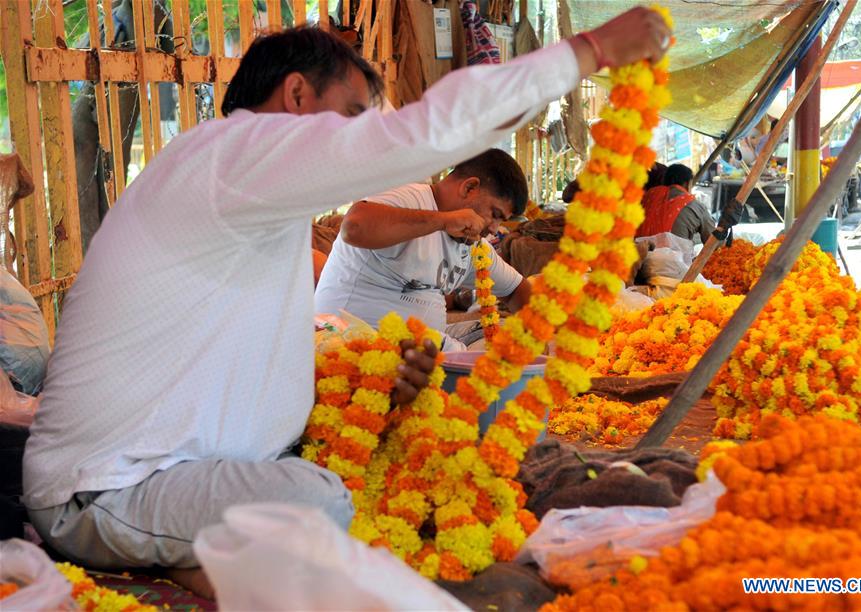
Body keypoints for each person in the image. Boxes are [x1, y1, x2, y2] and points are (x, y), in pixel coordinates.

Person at [22, 11, 671, 598]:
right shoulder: (228, 160)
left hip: (185, 474)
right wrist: (591, 49)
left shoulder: (250, 201)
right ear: (297, 94)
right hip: (102, 491)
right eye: (358, 115)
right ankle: (217, 574)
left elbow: (247, 354)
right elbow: (429, 131)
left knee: (398, 460)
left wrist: (374, 382)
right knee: (319, 499)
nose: (368, 138)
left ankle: (223, 564)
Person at [314, 149, 530, 347]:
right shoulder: (409, 198)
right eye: (495, 214)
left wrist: (541, 329)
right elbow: (353, 227)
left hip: (425, 350)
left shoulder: (473, 243)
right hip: (350, 343)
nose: (493, 228)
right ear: (469, 187)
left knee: (509, 342)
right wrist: (443, 221)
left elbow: (516, 291)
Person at [636, 163, 715, 243]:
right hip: (675, 254)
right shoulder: (695, 206)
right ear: (687, 184)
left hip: (637, 253)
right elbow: (712, 240)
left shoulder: (648, 196)